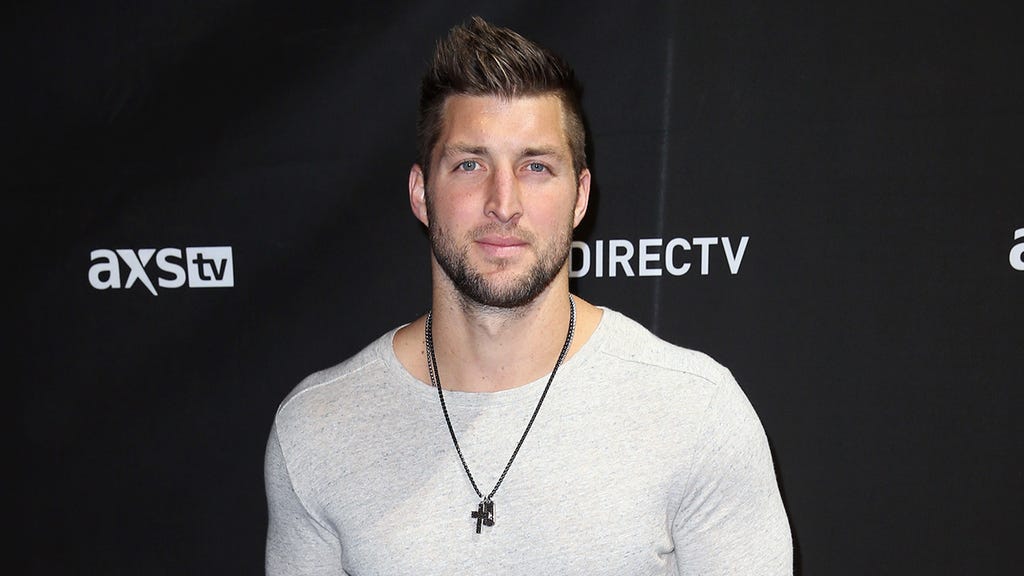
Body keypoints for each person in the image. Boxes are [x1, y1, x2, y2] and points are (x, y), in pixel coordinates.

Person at [265, 16, 792, 575]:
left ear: (580, 196)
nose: (504, 203)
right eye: (470, 164)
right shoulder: (318, 430)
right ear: (421, 193)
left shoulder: (696, 413)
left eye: (536, 166)